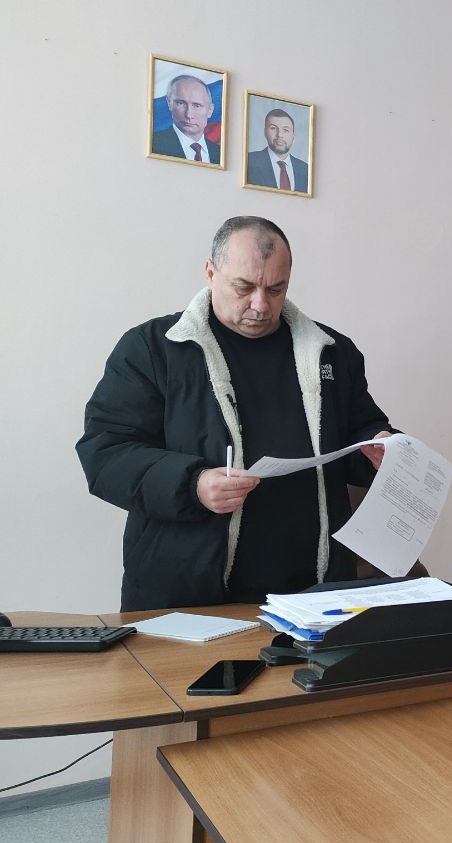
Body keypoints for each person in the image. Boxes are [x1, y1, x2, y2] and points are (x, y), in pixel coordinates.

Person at [77, 216, 392, 610]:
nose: (260, 305)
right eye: (244, 287)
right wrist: (192, 484)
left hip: (313, 594)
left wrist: (381, 447)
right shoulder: (152, 349)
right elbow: (105, 454)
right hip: (184, 592)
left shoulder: (332, 351)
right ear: (211, 273)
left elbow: (361, 429)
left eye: (276, 289)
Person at [151, 74, 221, 163]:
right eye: (181, 103)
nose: (189, 114)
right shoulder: (154, 143)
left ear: (210, 110)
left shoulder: (219, 154)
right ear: (169, 104)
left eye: (197, 105)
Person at [246, 108, 309, 192]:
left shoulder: (305, 169)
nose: (279, 135)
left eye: (285, 130)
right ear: (265, 132)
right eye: (273, 128)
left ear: (293, 136)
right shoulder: (249, 161)